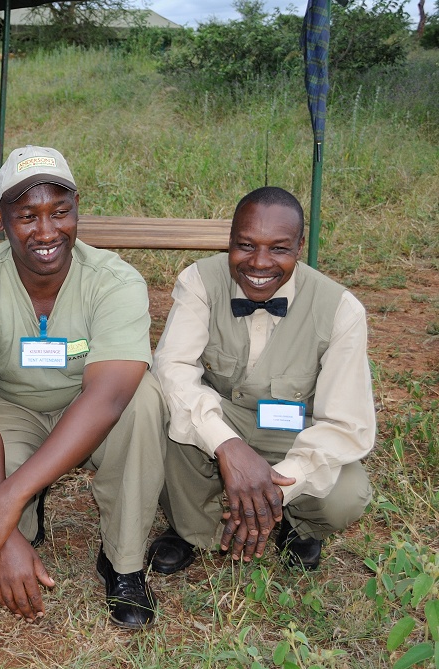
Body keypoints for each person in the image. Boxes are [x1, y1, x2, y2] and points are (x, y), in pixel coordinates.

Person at [0, 145, 168, 629]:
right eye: (27, 216)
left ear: (77, 207)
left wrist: (7, 494)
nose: (46, 232)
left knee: (144, 401)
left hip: (90, 408)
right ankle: (24, 525)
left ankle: (123, 565)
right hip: (13, 408)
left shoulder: (115, 281)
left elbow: (107, 398)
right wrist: (6, 542)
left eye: (60, 212)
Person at [148, 186, 375, 575]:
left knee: (347, 494)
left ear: (300, 246)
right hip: (222, 419)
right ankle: (190, 528)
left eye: (279, 249)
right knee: (155, 407)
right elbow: (173, 370)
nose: (260, 262)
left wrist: (274, 490)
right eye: (246, 245)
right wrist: (228, 445)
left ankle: (297, 525)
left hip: (292, 430)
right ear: (230, 241)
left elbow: (347, 425)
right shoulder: (200, 282)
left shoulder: (341, 309)